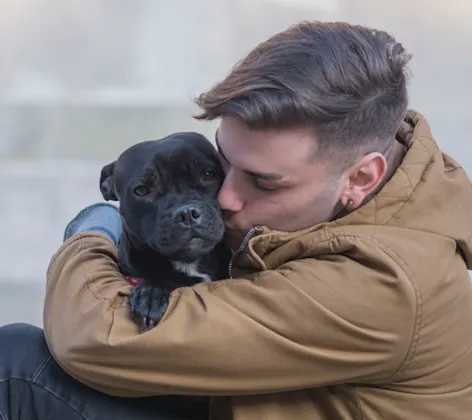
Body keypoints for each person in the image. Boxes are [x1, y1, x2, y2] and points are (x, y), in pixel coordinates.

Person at [1, 20, 471, 420]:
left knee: (16, 365)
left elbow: (98, 340)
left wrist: (93, 229)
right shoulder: (386, 188)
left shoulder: (383, 285)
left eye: (264, 182)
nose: (224, 198)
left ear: (361, 177)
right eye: (221, 166)